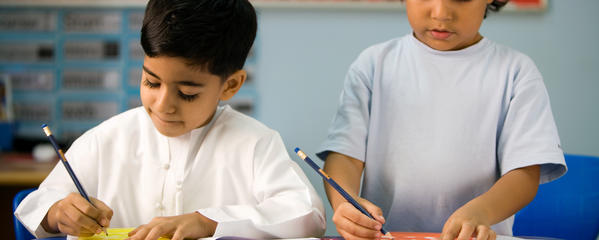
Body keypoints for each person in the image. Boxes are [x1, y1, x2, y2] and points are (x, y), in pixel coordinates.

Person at [14, 0, 326, 239]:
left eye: (187, 93)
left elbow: (307, 213)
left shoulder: (254, 142)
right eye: (151, 82)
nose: (163, 105)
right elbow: (37, 204)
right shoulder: (106, 139)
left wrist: (208, 221)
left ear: (230, 85)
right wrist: (57, 212)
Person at [316, 0, 567, 239]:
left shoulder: (516, 72)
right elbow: (345, 156)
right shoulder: (373, 65)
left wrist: (481, 212)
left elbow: (524, 173)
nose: (441, 13)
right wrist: (346, 202)